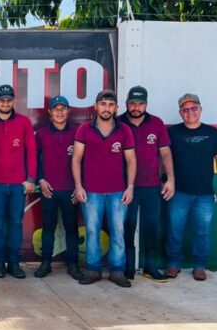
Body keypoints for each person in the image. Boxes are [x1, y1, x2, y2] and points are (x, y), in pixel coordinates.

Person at [72, 89, 136, 288]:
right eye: (103, 104)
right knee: (92, 231)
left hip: (118, 192)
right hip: (91, 192)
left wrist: (130, 187)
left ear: (116, 108)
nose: (106, 108)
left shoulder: (124, 130)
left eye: (110, 105)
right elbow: (76, 159)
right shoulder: (84, 129)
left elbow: (131, 161)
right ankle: (93, 269)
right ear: (96, 106)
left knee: (118, 231)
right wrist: (78, 186)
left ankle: (117, 271)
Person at [165, 93, 217, 281]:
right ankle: (173, 264)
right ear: (180, 112)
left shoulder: (212, 133)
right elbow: (164, 158)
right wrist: (164, 180)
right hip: (178, 193)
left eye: (194, 108)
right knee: (174, 229)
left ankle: (200, 266)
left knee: (202, 231)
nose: (190, 112)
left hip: (205, 194)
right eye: (185, 110)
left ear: (200, 110)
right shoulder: (172, 132)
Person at [118, 86, 174, 283]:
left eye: (140, 104)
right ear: (126, 104)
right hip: (125, 186)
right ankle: (128, 267)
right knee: (127, 226)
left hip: (151, 185)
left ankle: (150, 266)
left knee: (151, 226)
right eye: (132, 103)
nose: (136, 107)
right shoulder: (118, 123)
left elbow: (165, 153)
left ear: (146, 104)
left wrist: (171, 179)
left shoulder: (157, 123)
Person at [0, 84, 37, 279]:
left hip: (18, 184)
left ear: (13, 101)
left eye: (8, 100)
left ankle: (14, 263)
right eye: (2, 100)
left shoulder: (24, 122)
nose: (5, 103)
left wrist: (30, 179)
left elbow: (31, 152)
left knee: (15, 223)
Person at [34, 95, 82, 280]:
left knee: (71, 227)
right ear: (50, 112)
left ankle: (73, 265)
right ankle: (46, 263)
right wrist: (40, 179)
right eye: (56, 109)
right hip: (49, 189)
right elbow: (35, 159)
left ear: (68, 111)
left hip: (71, 189)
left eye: (63, 109)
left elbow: (85, 161)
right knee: (48, 227)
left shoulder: (78, 132)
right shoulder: (42, 134)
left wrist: (79, 186)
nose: (60, 112)